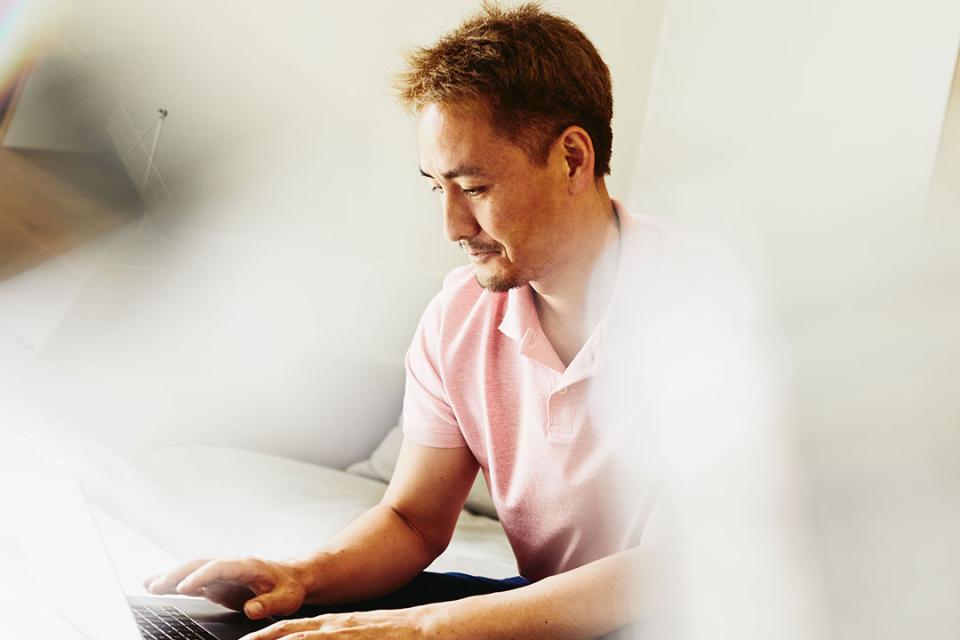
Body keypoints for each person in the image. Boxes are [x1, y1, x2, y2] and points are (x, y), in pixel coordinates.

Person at [146, 4, 662, 638]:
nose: (451, 227)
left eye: (473, 187)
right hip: (550, 605)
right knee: (291, 620)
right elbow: (414, 520)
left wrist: (426, 629)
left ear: (573, 159)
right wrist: (302, 577)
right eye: (435, 187)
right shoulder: (460, 316)